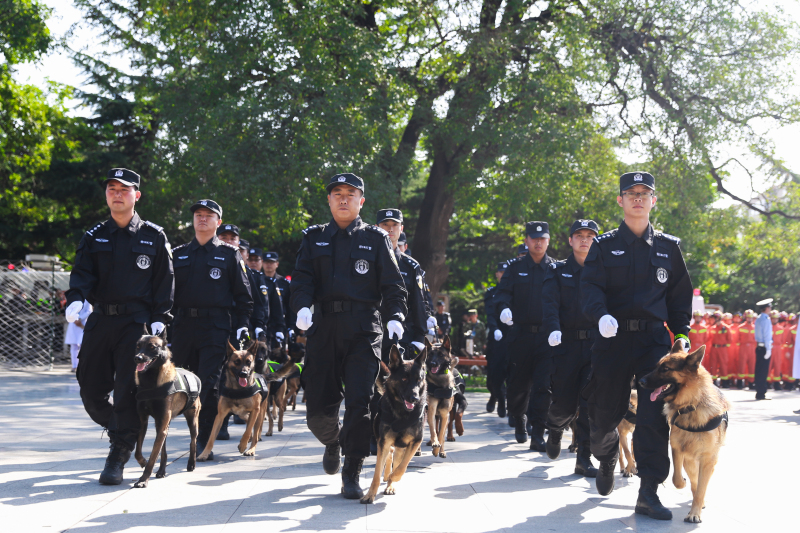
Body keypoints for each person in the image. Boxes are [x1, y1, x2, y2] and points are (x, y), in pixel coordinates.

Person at [580, 171, 692, 520]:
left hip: (652, 343)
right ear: (621, 200)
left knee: (652, 419)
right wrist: (600, 316)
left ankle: (648, 492)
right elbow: (590, 288)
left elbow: (678, 296)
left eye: (645, 193)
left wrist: (682, 334)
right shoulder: (603, 244)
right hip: (612, 338)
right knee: (603, 416)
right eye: (631, 193)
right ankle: (608, 452)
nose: (638, 199)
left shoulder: (668, 248)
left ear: (653, 200)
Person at [290, 173, 407, 499]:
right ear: (329, 200)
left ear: (361, 201)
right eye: (337, 193)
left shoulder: (376, 238)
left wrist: (396, 316)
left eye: (350, 193)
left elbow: (394, 287)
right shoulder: (313, 238)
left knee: (359, 400)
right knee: (317, 408)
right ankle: (332, 440)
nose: (343, 199)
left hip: (363, 329)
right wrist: (302, 306)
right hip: (323, 327)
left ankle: (352, 469)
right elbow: (301, 280)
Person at [65, 168, 174, 485]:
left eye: (124, 189)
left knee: (127, 389)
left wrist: (159, 318)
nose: (116, 193)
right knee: (89, 386)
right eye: (111, 188)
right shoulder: (94, 235)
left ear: (136, 195)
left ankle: (119, 453)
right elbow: (81, 275)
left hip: (136, 324)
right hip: (101, 319)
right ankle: (124, 427)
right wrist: (77, 299)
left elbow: (164, 282)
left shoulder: (154, 236)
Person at [170, 199, 253, 455]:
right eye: (198, 215)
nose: (202, 219)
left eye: (208, 215)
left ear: (218, 221)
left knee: (207, 380)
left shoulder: (229, 254)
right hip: (183, 325)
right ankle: (195, 427)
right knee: (184, 380)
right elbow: (166, 293)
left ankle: (204, 437)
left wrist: (242, 326)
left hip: (215, 326)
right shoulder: (179, 253)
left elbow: (243, 296)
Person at [542, 219, 600, 478]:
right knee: (564, 403)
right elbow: (550, 303)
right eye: (579, 235)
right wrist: (553, 328)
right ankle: (555, 427)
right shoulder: (557, 271)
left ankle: (584, 457)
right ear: (570, 240)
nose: (585, 240)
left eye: (590, 235)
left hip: (595, 345)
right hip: (565, 344)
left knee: (589, 404)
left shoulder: (603, 269)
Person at [495, 221, 556, 451]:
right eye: (534, 238)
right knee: (518, 385)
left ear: (548, 241)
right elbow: (501, 295)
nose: (538, 242)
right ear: (527, 241)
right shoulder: (514, 268)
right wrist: (504, 310)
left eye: (542, 238)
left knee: (543, 386)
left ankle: (538, 432)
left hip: (546, 338)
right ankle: (519, 417)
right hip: (520, 336)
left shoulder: (555, 269)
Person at [485, 262, 509, 417]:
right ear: (497, 274)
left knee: (511, 372)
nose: (504, 274)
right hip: (496, 336)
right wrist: (495, 329)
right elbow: (490, 313)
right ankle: (496, 395)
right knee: (493, 373)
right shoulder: (491, 292)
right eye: (501, 272)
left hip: (512, 336)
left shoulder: (514, 290)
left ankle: (504, 401)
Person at [263, 251, 293, 338]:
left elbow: (289, 306)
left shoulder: (284, 283)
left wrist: (291, 326)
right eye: (266, 262)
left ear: (277, 264)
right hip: (264, 324)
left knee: (279, 351)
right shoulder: (258, 281)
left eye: (271, 262)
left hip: (280, 325)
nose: (269, 264)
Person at [754, 298, 774, 400]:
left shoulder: (758, 318)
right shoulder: (765, 319)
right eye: (770, 307)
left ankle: (759, 391)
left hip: (759, 347)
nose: (770, 309)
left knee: (759, 370)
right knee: (763, 371)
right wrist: (768, 349)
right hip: (764, 347)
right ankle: (761, 392)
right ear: (766, 308)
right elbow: (767, 335)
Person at [65, 301, 93, 372]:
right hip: (73, 323)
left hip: (82, 323)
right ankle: (74, 365)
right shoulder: (73, 296)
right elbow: (68, 309)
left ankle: (83, 365)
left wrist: (80, 318)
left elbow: (89, 311)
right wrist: (74, 318)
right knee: (74, 346)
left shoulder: (87, 298)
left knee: (83, 345)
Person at [737, 310, 757, 390]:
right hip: (743, 347)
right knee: (741, 365)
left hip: (752, 348)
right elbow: (737, 339)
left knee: (752, 366)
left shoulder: (755, 327)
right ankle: (739, 382)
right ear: (745, 318)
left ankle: (751, 383)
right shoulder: (740, 327)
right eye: (748, 317)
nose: (749, 319)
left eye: (751, 317)